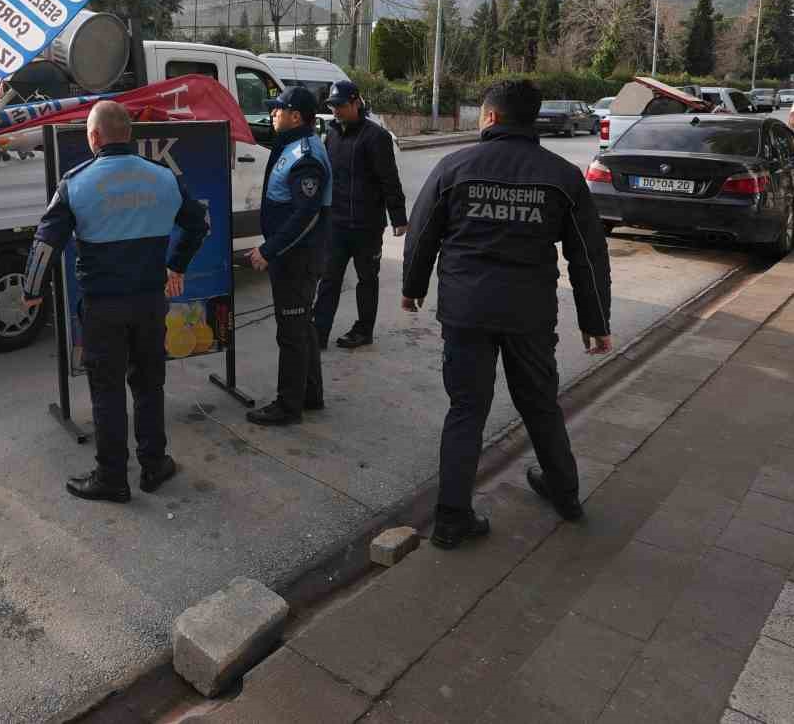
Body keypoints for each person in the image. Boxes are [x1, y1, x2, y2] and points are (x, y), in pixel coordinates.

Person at [401, 79, 613, 549]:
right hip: (528, 315)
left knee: (466, 409)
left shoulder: (455, 166)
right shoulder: (561, 175)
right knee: (539, 403)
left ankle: (452, 518)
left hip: (466, 311)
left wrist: (412, 290)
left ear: (492, 117)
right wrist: (595, 321)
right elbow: (587, 254)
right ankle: (565, 493)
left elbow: (422, 234)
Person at [20, 100, 208, 502]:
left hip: (103, 307)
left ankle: (112, 478)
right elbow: (199, 224)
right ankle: (154, 465)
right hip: (149, 303)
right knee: (149, 383)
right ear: (129, 135)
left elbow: (44, 243)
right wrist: (176, 265)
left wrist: (31, 292)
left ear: (94, 137)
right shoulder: (164, 178)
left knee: (106, 390)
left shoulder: (76, 183)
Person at [245, 86, 330, 427]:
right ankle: (310, 393)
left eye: (278, 109)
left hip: (297, 258)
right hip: (294, 255)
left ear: (296, 116)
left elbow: (306, 214)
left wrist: (269, 249)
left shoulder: (305, 156)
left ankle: (288, 405)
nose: (273, 114)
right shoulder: (293, 147)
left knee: (292, 331)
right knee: (302, 325)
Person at [312, 80, 407, 349]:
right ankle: (318, 332)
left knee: (367, 280)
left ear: (356, 103)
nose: (336, 111)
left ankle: (364, 330)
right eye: (332, 106)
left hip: (366, 226)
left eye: (341, 106)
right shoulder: (331, 134)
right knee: (329, 278)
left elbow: (389, 178)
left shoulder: (375, 137)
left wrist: (398, 217)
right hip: (337, 223)